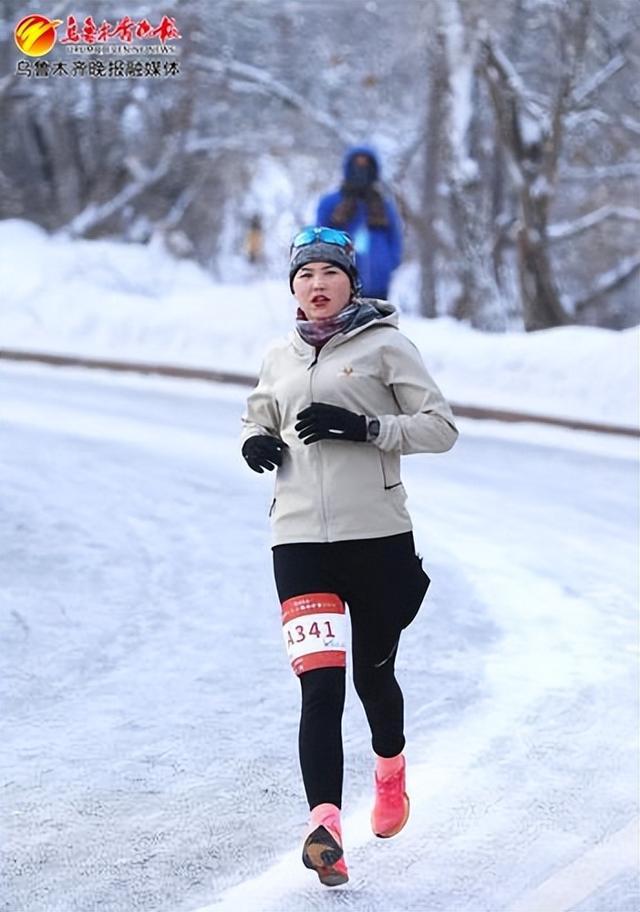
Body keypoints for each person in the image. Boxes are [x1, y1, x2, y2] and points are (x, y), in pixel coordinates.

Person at [240, 226, 457, 887]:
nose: (316, 285)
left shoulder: (387, 347)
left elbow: (440, 428)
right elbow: (259, 414)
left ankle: (389, 775)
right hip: (300, 541)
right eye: (304, 276)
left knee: (373, 677)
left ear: (350, 283)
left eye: (328, 273)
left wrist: (365, 429)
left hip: (377, 539)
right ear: (293, 289)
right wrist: (255, 443)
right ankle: (326, 827)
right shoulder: (280, 355)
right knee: (320, 690)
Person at [316, 146, 402, 299]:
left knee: (377, 323)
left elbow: (395, 236)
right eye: (357, 165)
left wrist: (389, 263)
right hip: (342, 284)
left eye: (366, 166)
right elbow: (319, 238)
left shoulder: (383, 204)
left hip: (379, 283)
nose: (361, 171)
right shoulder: (331, 203)